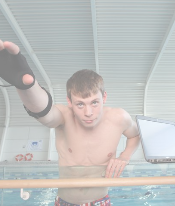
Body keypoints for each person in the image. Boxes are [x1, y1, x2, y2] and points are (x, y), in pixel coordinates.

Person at [0, 39, 140, 206]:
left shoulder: (119, 118)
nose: (88, 113)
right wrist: (26, 86)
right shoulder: (64, 116)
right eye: (80, 104)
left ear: (104, 97)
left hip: (100, 201)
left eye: (94, 102)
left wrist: (124, 157)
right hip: (65, 201)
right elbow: (45, 113)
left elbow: (136, 135)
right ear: (69, 101)